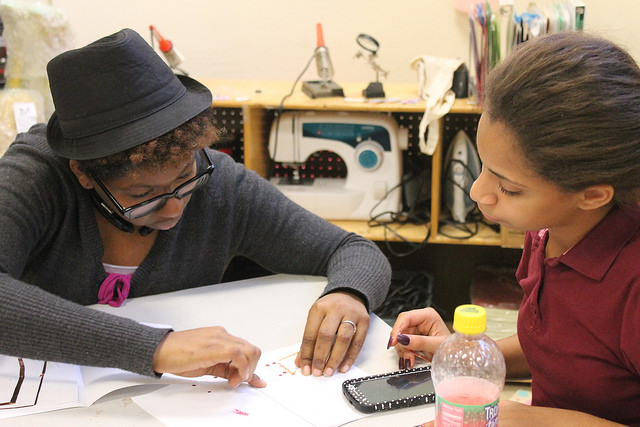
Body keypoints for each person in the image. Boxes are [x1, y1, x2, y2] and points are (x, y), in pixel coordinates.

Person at [0, 28, 391, 388]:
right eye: (142, 195)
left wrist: (348, 294)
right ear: (84, 175)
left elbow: (352, 250)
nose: (173, 209)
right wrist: (153, 348)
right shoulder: (36, 178)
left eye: (185, 179)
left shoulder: (219, 182)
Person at [388, 31, 640, 426]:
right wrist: (464, 355)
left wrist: (529, 420)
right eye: (483, 165)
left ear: (592, 195)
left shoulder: (632, 283)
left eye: (508, 187)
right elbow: (565, 348)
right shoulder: (549, 229)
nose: (477, 191)